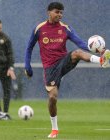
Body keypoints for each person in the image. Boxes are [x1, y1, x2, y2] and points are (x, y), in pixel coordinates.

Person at [24, 2, 110, 138]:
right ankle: (54, 129)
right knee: (52, 98)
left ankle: (100, 61)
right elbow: (29, 48)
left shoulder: (65, 28)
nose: (60, 15)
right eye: (57, 12)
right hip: (50, 68)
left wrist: (100, 51)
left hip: (64, 61)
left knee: (77, 53)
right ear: (49, 12)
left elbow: (80, 42)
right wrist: (27, 66)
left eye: (61, 12)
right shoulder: (39, 29)